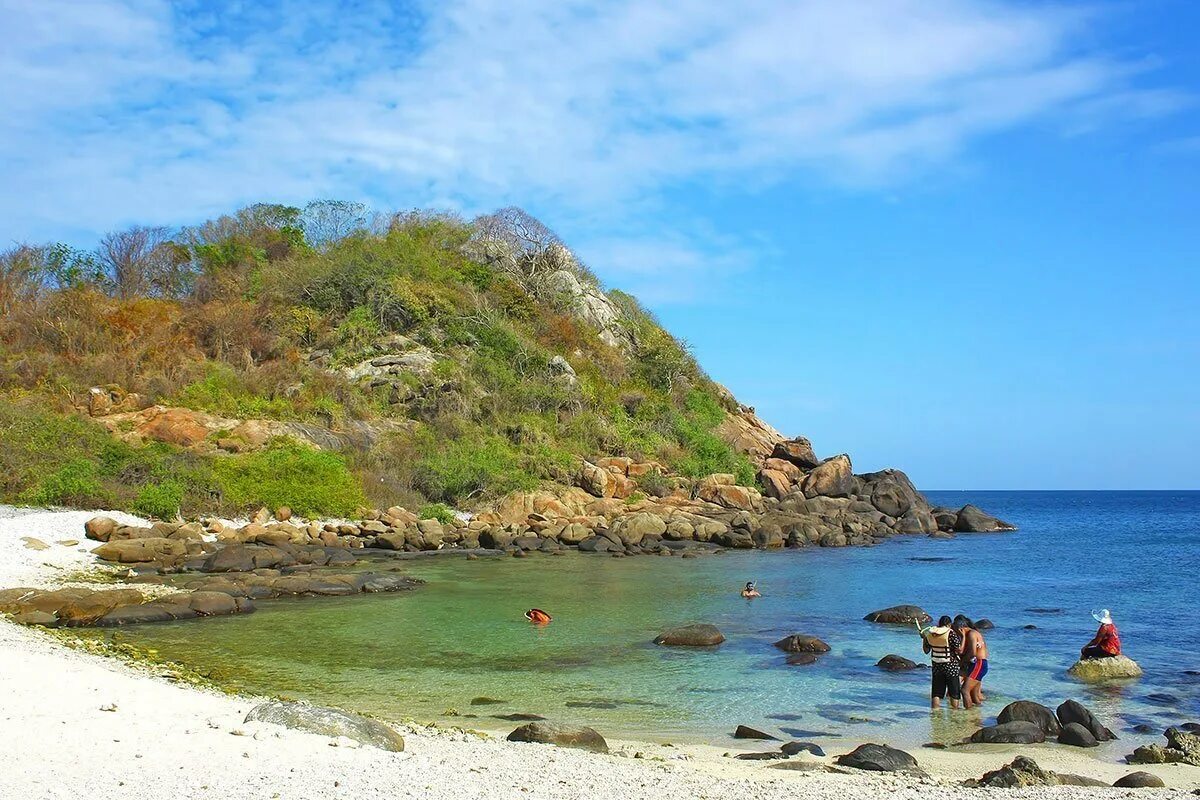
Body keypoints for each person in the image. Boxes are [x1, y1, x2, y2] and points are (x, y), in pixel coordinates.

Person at [921, 615, 963, 709]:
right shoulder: (950, 633)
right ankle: (954, 712)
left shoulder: (930, 633)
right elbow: (959, 649)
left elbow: (926, 651)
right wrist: (962, 636)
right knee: (954, 691)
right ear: (949, 624)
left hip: (936, 665)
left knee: (936, 692)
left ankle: (935, 714)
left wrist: (924, 639)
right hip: (951, 665)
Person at [955, 615, 988, 708]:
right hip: (980, 663)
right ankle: (977, 715)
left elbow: (973, 653)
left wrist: (961, 663)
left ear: (960, 628)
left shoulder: (971, 634)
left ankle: (968, 716)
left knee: (964, 690)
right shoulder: (975, 632)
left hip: (978, 664)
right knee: (974, 695)